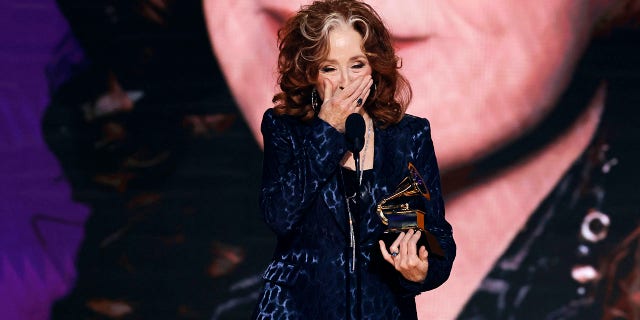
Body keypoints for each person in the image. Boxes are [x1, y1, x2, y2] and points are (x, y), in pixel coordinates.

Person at [252, 1, 456, 319]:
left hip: (383, 309)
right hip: (298, 310)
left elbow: (436, 234)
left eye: (357, 65)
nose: (345, 81)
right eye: (329, 68)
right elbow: (279, 215)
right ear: (311, 74)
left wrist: (420, 271)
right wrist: (326, 131)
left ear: (374, 66)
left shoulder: (409, 135)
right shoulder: (285, 129)